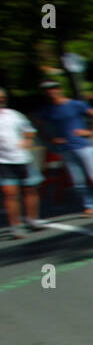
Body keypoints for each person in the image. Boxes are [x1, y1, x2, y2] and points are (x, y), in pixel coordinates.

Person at [38, 80, 93, 215]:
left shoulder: (74, 104)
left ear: (59, 89)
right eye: (48, 90)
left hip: (83, 146)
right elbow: (37, 125)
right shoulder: (48, 110)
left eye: (54, 88)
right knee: (78, 180)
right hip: (66, 148)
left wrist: (90, 131)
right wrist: (51, 138)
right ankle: (90, 205)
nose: (52, 92)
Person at [0, 87, 43, 239]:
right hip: (3, 162)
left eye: (3, 98)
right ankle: (15, 226)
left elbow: (29, 130)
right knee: (11, 194)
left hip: (23, 159)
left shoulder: (14, 115)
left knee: (30, 189)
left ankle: (32, 219)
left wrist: (27, 140)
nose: (1, 100)